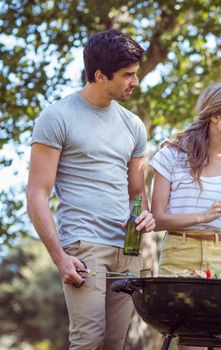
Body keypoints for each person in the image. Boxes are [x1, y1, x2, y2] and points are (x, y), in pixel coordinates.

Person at [26, 29, 155, 349]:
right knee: (88, 340)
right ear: (100, 75)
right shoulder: (57, 117)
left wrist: (146, 216)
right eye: (127, 75)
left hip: (127, 249)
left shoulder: (133, 125)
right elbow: (37, 193)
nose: (135, 81)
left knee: (114, 343)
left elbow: (137, 192)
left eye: (135, 73)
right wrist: (59, 258)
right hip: (84, 247)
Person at [150, 82, 221, 281]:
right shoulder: (171, 156)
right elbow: (156, 220)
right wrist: (205, 216)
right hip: (178, 255)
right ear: (215, 115)